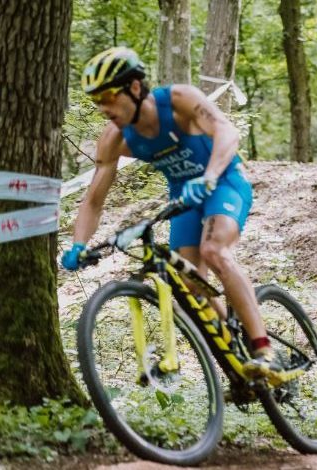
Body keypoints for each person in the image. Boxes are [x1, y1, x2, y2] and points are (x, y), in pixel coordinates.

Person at [61, 47, 290, 385]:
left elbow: (227, 132)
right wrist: (79, 244)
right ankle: (237, 354)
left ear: (135, 88)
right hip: (184, 198)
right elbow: (94, 200)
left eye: (109, 96)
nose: (104, 109)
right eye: (97, 102)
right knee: (189, 284)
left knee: (214, 251)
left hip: (223, 180)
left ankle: (264, 350)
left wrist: (210, 175)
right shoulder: (114, 138)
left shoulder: (180, 100)